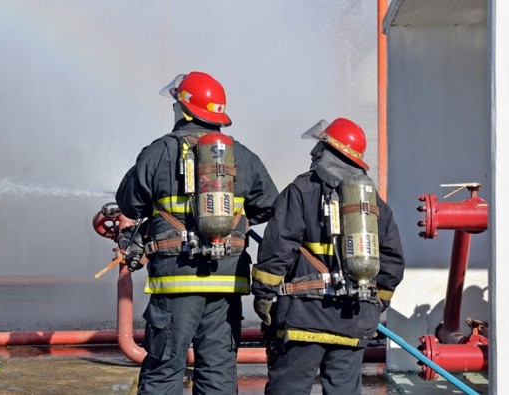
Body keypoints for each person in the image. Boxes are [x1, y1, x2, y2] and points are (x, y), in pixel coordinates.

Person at [115, 71, 279, 394]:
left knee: (163, 372)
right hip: (227, 284)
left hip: (176, 284)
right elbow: (271, 206)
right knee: (218, 375)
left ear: (184, 109)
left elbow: (129, 203)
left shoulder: (160, 152)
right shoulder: (243, 158)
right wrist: (233, 223)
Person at [250, 117, 405, 394]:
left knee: (289, 389)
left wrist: (263, 294)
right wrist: (374, 305)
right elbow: (392, 262)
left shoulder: (300, 191)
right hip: (354, 318)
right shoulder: (373, 204)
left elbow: (277, 247)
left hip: (304, 317)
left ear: (326, 150)